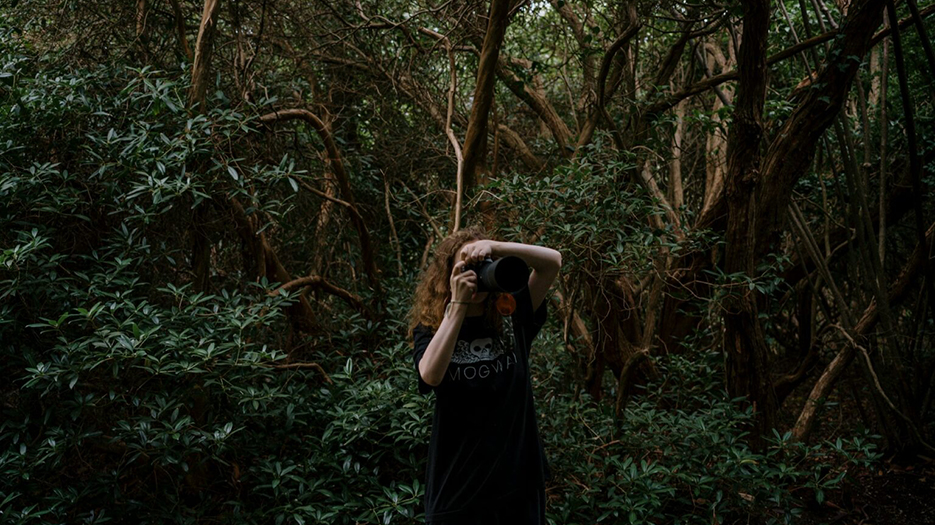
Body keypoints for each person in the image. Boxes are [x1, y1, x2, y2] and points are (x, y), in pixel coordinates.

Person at [406, 225, 562, 525]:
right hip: (458, 493)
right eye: (466, 269)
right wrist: (458, 305)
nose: (475, 277)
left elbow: (552, 262)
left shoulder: (513, 315)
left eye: (481, 269)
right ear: (448, 276)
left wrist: (496, 247)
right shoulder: (431, 330)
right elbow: (430, 375)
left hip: (518, 488)